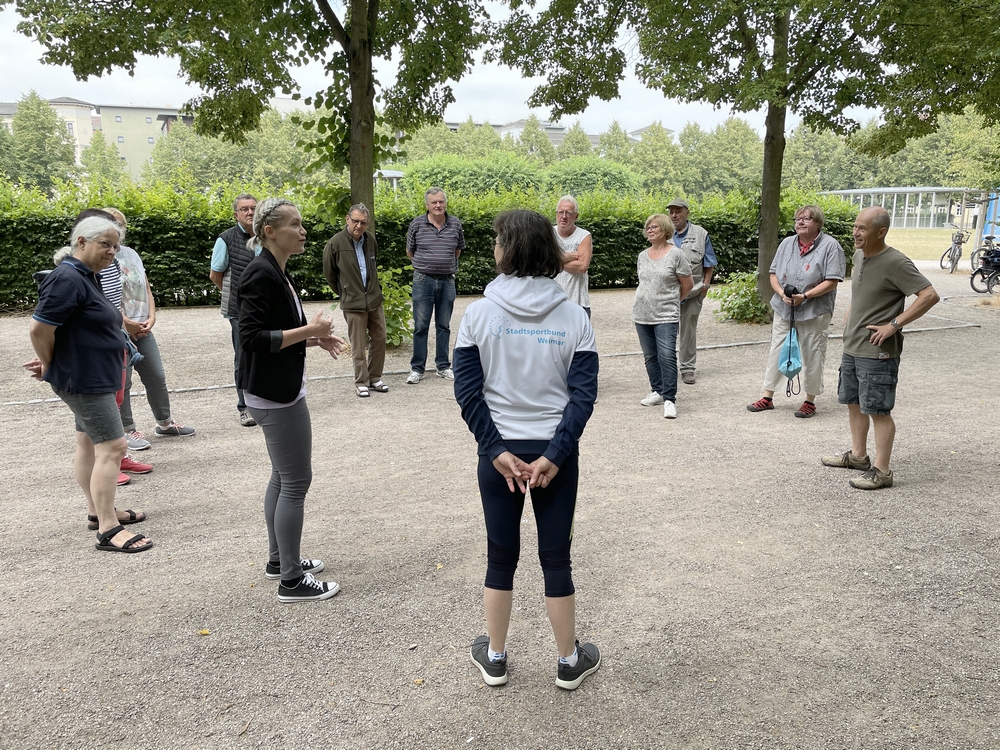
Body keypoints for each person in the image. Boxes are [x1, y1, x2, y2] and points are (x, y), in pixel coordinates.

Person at [454, 209, 601, 691]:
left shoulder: (478, 314)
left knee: (500, 556)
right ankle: (568, 660)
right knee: (556, 559)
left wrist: (494, 450)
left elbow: (468, 393)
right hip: (554, 457)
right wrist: (555, 455)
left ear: (509, 249)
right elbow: (583, 396)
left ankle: (495, 657)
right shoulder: (574, 316)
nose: (493, 247)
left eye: (497, 239)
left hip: (499, 455)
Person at [238, 197, 346, 602]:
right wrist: (309, 331)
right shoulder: (260, 273)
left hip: (274, 390)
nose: (303, 231)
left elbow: (276, 331)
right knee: (296, 481)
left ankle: (278, 561)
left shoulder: (274, 270)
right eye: (295, 224)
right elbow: (251, 338)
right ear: (270, 231)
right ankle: (291, 579)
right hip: (275, 396)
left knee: (283, 478)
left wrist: (313, 339)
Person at [27, 216, 152, 553]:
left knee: (87, 443)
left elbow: (70, 328)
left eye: (115, 246)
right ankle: (109, 530)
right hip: (85, 379)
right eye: (105, 244)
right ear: (81, 242)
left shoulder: (86, 275)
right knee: (113, 447)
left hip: (91, 373)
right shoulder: (67, 278)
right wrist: (51, 363)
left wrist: (55, 359)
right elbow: (40, 328)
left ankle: (99, 512)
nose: (112, 251)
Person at [821, 206, 940, 490]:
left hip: (878, 351)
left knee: (878, 410)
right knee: (854, 403)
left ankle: (882, 471)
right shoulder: (859, 255)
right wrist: (851, 315)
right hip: (853, 345)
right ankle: (858, 456)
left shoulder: (896, 262)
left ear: (881, 231)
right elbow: (863, 294)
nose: (855, 233)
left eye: (862, 228)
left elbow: (929, 295)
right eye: (855, 227)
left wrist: (894, 324)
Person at [103, 208, 196, 442]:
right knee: (122, 382)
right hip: (118, 329)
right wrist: (125, 323)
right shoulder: (101, 257)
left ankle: (165, 422)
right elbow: (102, 297)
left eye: (121, 224)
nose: (117, 228)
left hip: (143, 326)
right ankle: (126, 430)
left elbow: (145, 287)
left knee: (156, 375)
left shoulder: (131, 254)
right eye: (112, 223)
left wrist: (152, 316)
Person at [747, 205, 846, 417]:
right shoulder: (786, 244)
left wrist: (805, 296)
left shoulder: (831, 246)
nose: (800, 222)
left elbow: (832, 280)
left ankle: (810, 401)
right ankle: (767, 397)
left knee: (813, 353)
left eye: (806, 219)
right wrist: (781, 293)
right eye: (798, 219)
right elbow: (773, 273)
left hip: (815, 310)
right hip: (784, 307)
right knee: (777, 349)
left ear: (818, 223)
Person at [322, 203, 388, 397]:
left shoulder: (370, 240)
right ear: (347, 219)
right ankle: (361, 381)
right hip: (353, 302)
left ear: (368, 223)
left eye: (363, 222)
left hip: (374, 299)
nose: (359, 226)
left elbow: (373, 265)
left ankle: (375, 378)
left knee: (380, 338)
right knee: (358, 344)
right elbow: (329, 273)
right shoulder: (335, 243)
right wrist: (345, 292)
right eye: (356, 221)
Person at [632, 214, 693, 419]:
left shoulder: (676, 255)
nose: (649, 230)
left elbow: (688, 284)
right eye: (648, 227)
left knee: (666, 356)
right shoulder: (642, 256)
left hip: (666, 314)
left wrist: (673, 301)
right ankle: (657, 391)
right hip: (642, 313)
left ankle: (669, 399)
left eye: (654, 227)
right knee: (650, 356)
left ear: (665, 229)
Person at [405, 187, 465, 384]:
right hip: (423, 280)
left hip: (447, 280)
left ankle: (443, 366)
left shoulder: (455, 224)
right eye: (434, 202)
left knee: (444, 325)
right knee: (420, 326)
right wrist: (427, 265)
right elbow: (410, 251)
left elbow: (457, 250)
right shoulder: (417, 224)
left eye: (441, 201)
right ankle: (417, 368)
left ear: (445, 203)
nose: (438, 205)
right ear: (427, 205)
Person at [210, 193, 259, 427]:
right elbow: (215, 275)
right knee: (243, 357)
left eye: (253, 208)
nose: (250, 212)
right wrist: (238, 298)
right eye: (244, 209)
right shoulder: (226, 238)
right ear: (236, 214)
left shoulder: (265, 235)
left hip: (264, 307)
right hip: (239, 310)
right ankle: (244, 407)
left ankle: (263, 401)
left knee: (266, 353)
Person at [667, 198, 718, 385]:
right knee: (666, 331)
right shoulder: (663, 232)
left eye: (678, 211)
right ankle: (667, 368)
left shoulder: (701, 234)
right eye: (671, 212)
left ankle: (687, 368)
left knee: (688, 331)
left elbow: (709, 262)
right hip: (668, 294)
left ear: (687, 212)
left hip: (694, 292)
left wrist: (705, 285)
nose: (674, 215)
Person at [552, 195, 593, 316]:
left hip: (577, 303)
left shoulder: (584, 236)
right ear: (556, 214)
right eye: (561, 212)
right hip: (551, 302)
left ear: (576, 216)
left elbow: (582, 267)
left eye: (568, 213)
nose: (564, 216)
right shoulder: (548, 234)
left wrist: (552, 261)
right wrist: (565, 257)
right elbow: (539, 262)